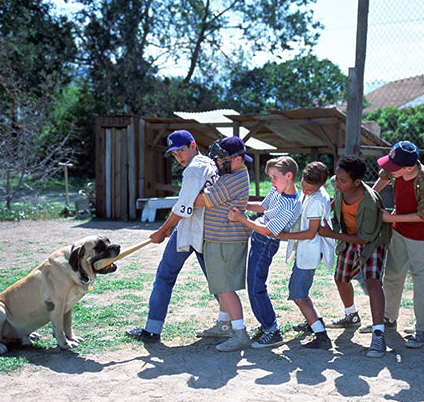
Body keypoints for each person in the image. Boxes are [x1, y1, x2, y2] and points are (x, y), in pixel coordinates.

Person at [126, 130, 218, 343]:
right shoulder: (209, 163)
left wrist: (161, 230)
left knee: (165, 277)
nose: (179, 157)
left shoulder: (194, 168)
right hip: (205, 229)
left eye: (182, 151)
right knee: (216, 281)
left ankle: (151, 330)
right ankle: (231, 323)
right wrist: (169, 226)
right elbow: (186, 203)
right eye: (175, 154)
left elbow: (183, 206)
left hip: (191, 230)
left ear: (193, 145)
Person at [370, 141, 424, 348]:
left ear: (409, 168)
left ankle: (423, 329)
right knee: (392, 274)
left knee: (422, 281)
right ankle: (389, 319)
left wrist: (390, 218)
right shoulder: (397, 170)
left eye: (394, 167)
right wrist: (372, 199)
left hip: (420, 235)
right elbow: (383, 177)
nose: (390, 169)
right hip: (399, 231)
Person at [320, 155, 392, 357]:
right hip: (349, 236)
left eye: (343, 180)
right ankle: (351, 315)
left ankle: (378, 335)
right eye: (338, 178)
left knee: (372, 282)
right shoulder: (340, 184)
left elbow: (364, 238)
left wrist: (331, 234)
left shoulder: (369, 202)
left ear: (357, 182)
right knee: (340, 278)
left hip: (371, 240)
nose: (338, 182)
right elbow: (336, 199)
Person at [228, 156, 302, 348]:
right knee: (253, 283)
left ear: (289, 176)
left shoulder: (291, 204)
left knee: (256, 286)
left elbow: (269, 231)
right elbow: (263, 206)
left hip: (266, 243)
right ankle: (266, 325)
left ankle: (272, 330)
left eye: (274, 177)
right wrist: (241, 207)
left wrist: (241, 218)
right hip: (259, 238)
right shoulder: (278, 190)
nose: (271, 181)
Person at [193, 136, 253, 352]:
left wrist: (189, 193)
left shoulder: (234, 178)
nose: (218, 163)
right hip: (220, 237)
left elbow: (202, 200)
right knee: (220, 285)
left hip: (225, 239)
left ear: (237, 159)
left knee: (225, 288)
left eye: (221, 159)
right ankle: (224, 324)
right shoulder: (231, 173)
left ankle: (240, 333)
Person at [276, 161, 336, 349]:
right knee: (301, 291)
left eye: (311, 189)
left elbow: (311, 233)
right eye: (305, 187)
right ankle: (314, 321)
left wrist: (284, 235)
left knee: (298, 294)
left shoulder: (318, 200)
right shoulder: (313, 194)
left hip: (310, 250)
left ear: (321, 185)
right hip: (305, 250)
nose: (307, 191)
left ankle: (321, 335)